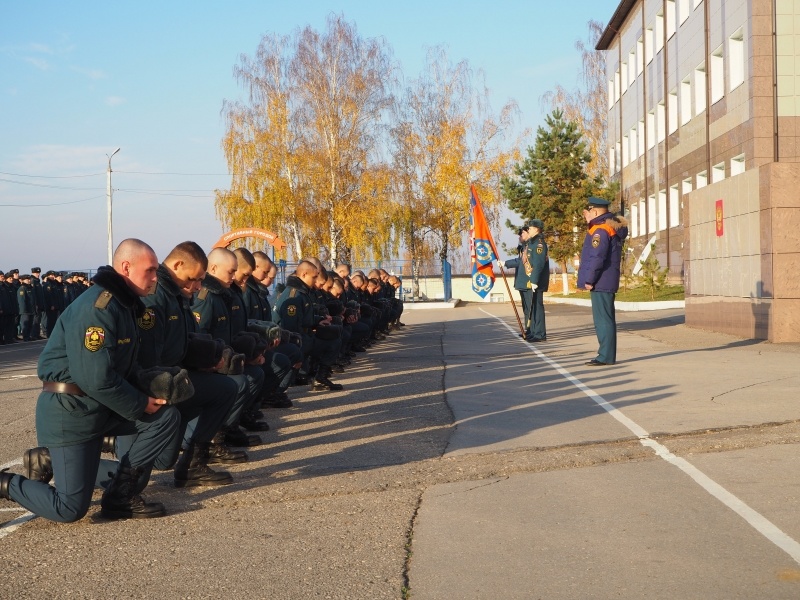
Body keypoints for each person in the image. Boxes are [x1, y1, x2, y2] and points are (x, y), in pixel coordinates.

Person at [0, 239, 181, 522]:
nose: (156, 277)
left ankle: (119, 497)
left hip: (100, 406)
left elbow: (125, 367)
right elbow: (95, 378)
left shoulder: (124, 306)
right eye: (150, 270)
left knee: (165, 418)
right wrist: (140, 402)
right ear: (126, 267)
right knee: (70, 509)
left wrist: (155, 386)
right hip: (72, 410)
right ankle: (6, 483)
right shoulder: (99, 309)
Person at [134, 241, 240, 486]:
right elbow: (149, 354)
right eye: (193, 278)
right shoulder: (156, 295)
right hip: (156, 385)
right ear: (178, 265)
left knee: (222, 388)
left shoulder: (177, 295)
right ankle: (108, 443)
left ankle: (193, 463)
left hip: (175, 378)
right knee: (154, 466)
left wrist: (209, 359)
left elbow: (185, 340)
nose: (198, 286)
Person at [577, 197, 629, 366]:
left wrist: (590, 279)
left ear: (596, 212)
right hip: (606, 279)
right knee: (605, 318)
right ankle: (606, 354)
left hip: (601, 280)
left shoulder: (600, 230)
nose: (587, 215)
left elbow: (597, 257)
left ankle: (605, 356)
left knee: (603, 320)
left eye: (588, 212)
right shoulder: (606, 227)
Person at [504, 226, 532, 338]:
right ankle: (528, 329)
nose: (520, 237)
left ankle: (533, 330)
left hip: (528, 281)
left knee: (530, 308)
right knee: (526, 308)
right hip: (522, 281)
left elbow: (521, 262)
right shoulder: (523, 247)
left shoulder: (529, 246)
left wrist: (506, 263)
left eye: (522, 234)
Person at [525, 219, 549, 342]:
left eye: (530, 227)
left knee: (537, 307)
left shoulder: (539, 244)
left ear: (536, 229)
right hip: (533, 279)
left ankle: (540, 334)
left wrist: (534, 280)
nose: (528, 229)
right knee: (533, 306)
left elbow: (539, 264)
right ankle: (534, 331)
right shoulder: (532, 243)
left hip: (538, 280)